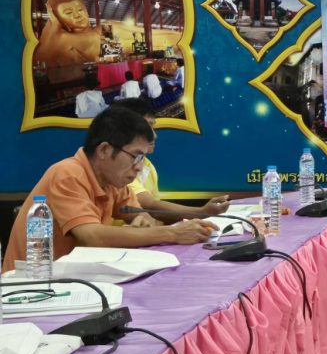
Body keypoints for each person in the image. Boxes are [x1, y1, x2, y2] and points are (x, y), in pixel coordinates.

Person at [2, 106, 215, 271]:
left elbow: (140, 214)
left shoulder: (113, 180)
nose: (139, 167)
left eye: (143, 158)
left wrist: (142, 222)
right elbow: (92, 236)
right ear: (104, 150)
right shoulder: (67, 174)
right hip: (32, 288)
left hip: (75, 278)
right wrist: (172, 233)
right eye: (135, 156)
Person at [111, 98, 230, 221]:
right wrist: (201, 212)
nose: (154, 135)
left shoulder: (147, 165)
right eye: (146, 129)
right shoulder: (119, 168)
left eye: (153, 128)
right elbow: (150, 206)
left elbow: (153, 215)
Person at [34, 0, 101, 67]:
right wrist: (55, 25)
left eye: (80, 10)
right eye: (68, 12)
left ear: (86, 11)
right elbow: (39, 60)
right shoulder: (63, 39)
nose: (77, 15)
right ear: (59, 18)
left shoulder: (101, 30)